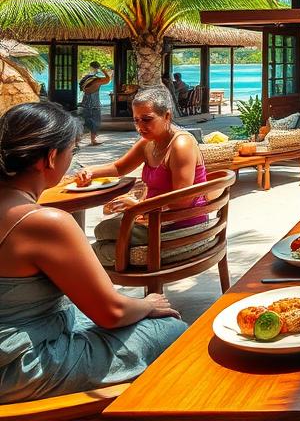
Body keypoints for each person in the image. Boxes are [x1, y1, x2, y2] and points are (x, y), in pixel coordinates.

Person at [0, 102, 185, 402]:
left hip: (18, 343)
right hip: (19, 366)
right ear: (50, 158)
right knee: (170, 329)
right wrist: (148, 303)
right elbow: (112, 313)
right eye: (72, 151)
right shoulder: (44, 222)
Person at [72, 87, 208, 267]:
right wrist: (89, 171)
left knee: (102, 236)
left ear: (167, 116)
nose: (140, 126)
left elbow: (182, 201)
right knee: (99, 240)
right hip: (155, 220)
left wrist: (139, 206)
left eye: (147, 119)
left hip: (180, 227)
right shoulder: (148, 143)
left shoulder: (181, 144)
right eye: (136, 120)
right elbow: (119, 167)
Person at [78, 61, 111, 146]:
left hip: (85, 102)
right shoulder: (96, 80)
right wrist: (104, 71)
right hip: (94, 103)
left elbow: (84, 89)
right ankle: (93, 140)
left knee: (86, 120)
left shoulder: (87, 78)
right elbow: (108, 80)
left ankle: (77, 141)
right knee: (95, 120)